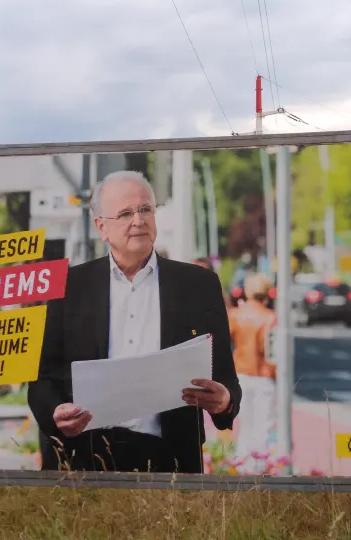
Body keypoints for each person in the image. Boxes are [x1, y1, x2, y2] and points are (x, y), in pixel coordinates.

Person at [28, 170, 242, 474]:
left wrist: (224, 401)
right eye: (125, 213)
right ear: (101, 227)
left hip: (170, 464)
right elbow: (41, 380)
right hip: (84, 461)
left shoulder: (199, 285)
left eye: (145, 209)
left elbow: (225, 377)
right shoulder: (67, 288)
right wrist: (55, 413)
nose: (138, 220)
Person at [227, 272, 278, 474]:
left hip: (240, 374)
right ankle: (260, 467)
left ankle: (241, 465)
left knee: (245, 424)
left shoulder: (236, 315)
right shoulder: (271, 318)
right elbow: (273, 353)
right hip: (263, 376)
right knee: (263, 425)